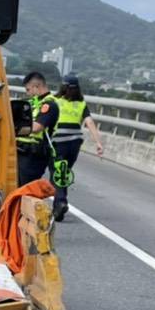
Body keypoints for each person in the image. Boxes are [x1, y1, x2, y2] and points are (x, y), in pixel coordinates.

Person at [47, 77, 103, 221]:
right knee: (64, 172)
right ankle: (60, 204)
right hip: (74, 143)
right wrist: (98, 142)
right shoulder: (81, 103)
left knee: (56, 172)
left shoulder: (55, 100)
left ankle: (60, 202)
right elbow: (89, 122)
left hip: (58, 141)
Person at [16, 71, 60, 186]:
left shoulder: (49, 105)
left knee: (26, 189)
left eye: (28, 90)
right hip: (21, 151)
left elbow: (36, 127)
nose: (28, 93)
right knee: (15, 188)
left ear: (37, 87)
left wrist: (15, 128)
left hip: (33, 154)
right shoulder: (34, 103)